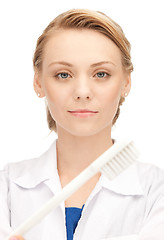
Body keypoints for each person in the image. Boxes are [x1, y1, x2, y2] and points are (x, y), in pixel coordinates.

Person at [1, 8, 164, 240]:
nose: (83, 92)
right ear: (38, 82)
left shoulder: (157, 190)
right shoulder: (6, 187)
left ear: (126, 83)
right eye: (64, 75)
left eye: (101, 74)